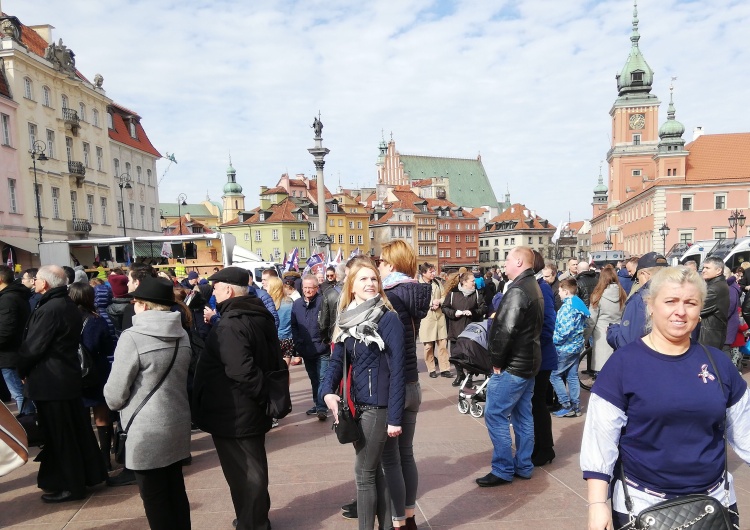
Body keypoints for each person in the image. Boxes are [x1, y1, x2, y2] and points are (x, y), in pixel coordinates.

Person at [581, 266, 750, 530]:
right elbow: (599, 441)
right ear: (650, 306)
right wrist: (597, 504)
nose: (680, 311)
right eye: (670, 301)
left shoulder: (718, 364)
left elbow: (745, 432)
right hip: (642, 505)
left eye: (690, 303)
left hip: (713, 504)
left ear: (700, 309)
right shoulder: (623, 365)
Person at [193, 267, 282, 530]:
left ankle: (253, 523)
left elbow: (241, 370)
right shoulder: (254, 314)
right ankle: (251, 517)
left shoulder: (232, 323)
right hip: (244, 408)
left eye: (217, 288)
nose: (215, 293)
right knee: (249, 470)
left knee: (245, 473)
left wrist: (261, 395)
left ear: (229, 290)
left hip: (235, 410)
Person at [320, 259, 405, 530]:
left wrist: (394, 417)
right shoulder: (347, 318)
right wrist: (326, 393)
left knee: (364, 473)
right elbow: (336, 361)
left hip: (379, 407)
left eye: (374, 279)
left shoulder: (388, 318)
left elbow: (398, 371)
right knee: (375, 470)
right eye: (364, 280)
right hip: (357, 405)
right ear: (351, 286)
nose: (370, 284)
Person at [104, 277, 192, 529]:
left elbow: (114, 395)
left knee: (154, 498)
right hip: (177, 420)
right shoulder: (182, 333)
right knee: (175, 491)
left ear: (143, 305)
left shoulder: (132, 337)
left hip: (145, 428)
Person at [17, 265, 107, 502]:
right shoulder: (65, 304)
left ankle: (71, 485)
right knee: (73, 431)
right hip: (63, 378)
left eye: (36, 279)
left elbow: (33, 347)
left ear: (45, 284)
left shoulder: (52, 308)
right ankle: (82, 477)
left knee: (61, 436)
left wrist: (22, 368)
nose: (33, 282)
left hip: (52, 380)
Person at [476, 247, 542, 487]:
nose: (504, 264)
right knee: (523, 416)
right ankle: (524, 465)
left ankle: (503, 468)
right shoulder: (532, 285)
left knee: (496, 415)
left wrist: (496, 361)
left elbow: (505, 330)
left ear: (518, 261)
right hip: (528, 363)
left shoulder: (518, 290)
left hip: (513, 366)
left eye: (507, 259)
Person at [378, 240, 431, 530]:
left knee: (391, 458)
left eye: (382, 262)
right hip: (413, 384)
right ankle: (409, 516)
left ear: (392, 265)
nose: (378, 267)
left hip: (395, 386)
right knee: (406, 453)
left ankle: (397, 521)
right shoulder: (414, 293)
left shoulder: (390, 297)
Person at [68, 283, 115, 471]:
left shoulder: (65, 319)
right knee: (102, 416)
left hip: (72, 372)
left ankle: (88, 460)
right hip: (97, 371)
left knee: (81, 419)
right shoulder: (98, 320)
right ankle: (105, 459)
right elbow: (108, 348)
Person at [607, 252, 668, 350]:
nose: (638, 282)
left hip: (644, 358)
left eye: (638, 278)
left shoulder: (640, 299)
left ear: (644, 274)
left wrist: (612, 331)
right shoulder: (677, 293)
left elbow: (626, 342)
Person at [291, 274, 330, 420]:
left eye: (310, 287)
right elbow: (294, 325)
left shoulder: (323, 302)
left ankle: (321, 407)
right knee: (314, 378)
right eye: (305, 287)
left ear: (316, 288)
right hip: (306, 349)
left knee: (323, 377)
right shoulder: (297, 304)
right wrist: (298, 343)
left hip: (322, 348)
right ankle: (318, 403)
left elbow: (330, 322)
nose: (307, 290)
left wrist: (326, 340)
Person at [531, 252, 557, 467]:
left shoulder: (543, 288)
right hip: (535, 354)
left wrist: (534, 345)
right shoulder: (534, 285)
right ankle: (538, 446)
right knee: (534, 403)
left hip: (541, 355)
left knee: (537, 403)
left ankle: (545, 448)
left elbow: (549, 323)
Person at [550, 278, 590, 418]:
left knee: (554, 375)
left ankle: (566, 405)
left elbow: (564, 331)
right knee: (572, 376)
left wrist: (553, 340)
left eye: (560, 291)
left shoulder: (567, 307)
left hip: (565, 347)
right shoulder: (578, 303)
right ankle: (576, 406)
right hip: (576, 346)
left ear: (566, 292)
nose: (559, 294)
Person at [443, 271, 486, 387]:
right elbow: (445, 308)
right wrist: (453, 313)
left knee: (469, 355)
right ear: (465, 282)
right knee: (455, 354)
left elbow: (483, 309)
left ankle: (469, 377)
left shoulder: (477, 293)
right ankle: (460, 374)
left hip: (470, 331)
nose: (474, 283)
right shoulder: (453, 294)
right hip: (455, 328)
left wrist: (472, 312)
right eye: (472, 281)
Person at [0, 265, 33, 415]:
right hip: (16, 352)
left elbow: (6, 330)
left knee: (19, 394)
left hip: (10, 355)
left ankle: (29, 428)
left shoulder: (8, 298)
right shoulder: (15, 295)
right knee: (22, 393)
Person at [587, 265, 626, 372]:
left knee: (602, 370)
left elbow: (591, 321)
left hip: (601, 336)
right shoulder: (622, 294)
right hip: (617, 333)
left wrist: (585, 337)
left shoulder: (598, 295)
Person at [418, 262, 451, 379]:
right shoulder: (418, 285)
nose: (433, 273)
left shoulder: (437, 282)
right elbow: (417, 301)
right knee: (428, 347)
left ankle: (445, 369)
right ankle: (431, 369)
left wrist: (439, 302)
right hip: (426, 319)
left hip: (439, 317)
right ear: (423, 273)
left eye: (433, 271)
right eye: (431, 271)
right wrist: (430, 303)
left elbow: (444, 295)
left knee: (442, 344)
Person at [698, 256, 729, 351]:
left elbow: (697, 309)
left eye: (707, 268)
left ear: (719, 271)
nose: (703, 270)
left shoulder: (715, 289)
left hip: (709, 336)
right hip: (710, 335)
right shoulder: (715, 285)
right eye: (703, 268)